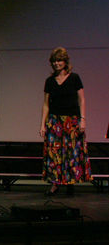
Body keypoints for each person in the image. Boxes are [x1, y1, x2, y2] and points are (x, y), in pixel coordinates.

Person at [40, 47, 91, 196]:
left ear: (65, 61)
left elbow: (81, 99)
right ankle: (55, 184)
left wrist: (83, 120)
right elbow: (45, 104)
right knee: (54, 153)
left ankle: (70, 183)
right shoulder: (49, 81)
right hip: (55, 121)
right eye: (54, 61)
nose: (57, 63)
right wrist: (42, 124)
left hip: (72, 120)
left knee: (71, 153)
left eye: (59, 60)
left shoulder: (74, 78)